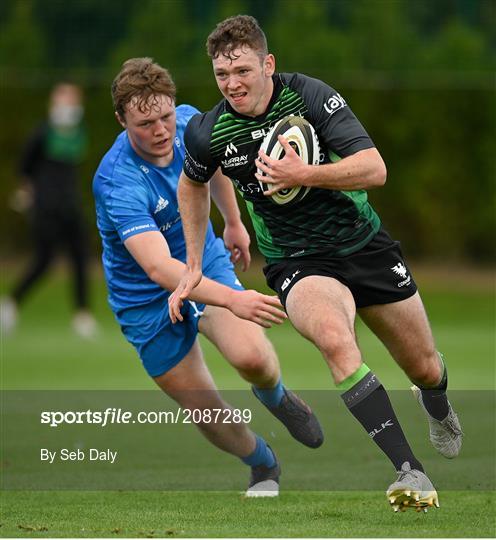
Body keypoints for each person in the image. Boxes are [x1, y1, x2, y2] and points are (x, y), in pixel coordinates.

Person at [170, 15, 463, 511]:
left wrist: (303, 173)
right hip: (297, 261)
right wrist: (194, 262)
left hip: (364, 246)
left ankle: (435, 401)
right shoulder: (209, 131)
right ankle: (409, 470)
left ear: (268, 64)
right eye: (222, 75)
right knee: (334, 339)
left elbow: (375, 169)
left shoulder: (309, 96)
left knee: (424, 366)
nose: (232, 84)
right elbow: (191, 185)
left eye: (242, 70)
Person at [92, 58, 324, 497]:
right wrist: (234, 300)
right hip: (145, 298)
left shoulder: (189, 124)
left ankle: (276, 397)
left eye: (165, 116)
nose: (161, 130)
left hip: (203, 259)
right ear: (122, 120)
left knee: (252, 357)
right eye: (145, 123)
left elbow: (212, 166)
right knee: (204, 410)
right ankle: (263, 463)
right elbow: (160, 269)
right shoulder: (116, 182)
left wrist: (232, 221)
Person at [1, 82, 97, 338]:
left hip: (71, 205)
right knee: (44, 261)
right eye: (65, 101)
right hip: (45, 207)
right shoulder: (42, 133)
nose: (70, 106)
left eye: (73, 101)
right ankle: (11, 304)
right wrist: (27, 193)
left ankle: (82, 314)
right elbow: (25, 168)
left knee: (80, 258)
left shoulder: (78, 133)